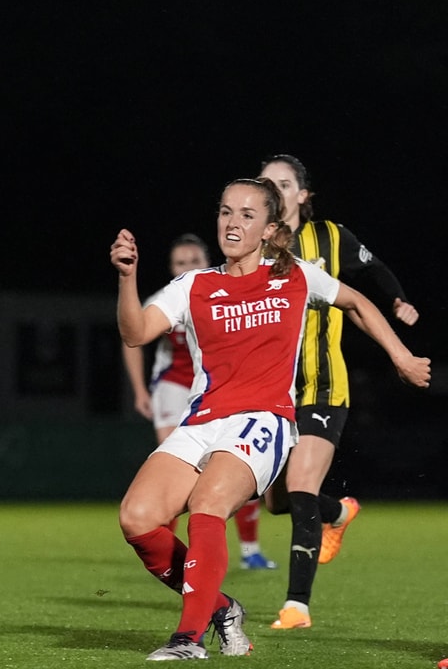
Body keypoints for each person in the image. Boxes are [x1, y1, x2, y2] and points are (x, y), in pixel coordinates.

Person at [110, 177, 430, 661]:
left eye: (245, 215)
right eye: (225, 212)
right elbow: (135, 333)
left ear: (267, 228)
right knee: (137, 519)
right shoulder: (194, 285)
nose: (232, 223)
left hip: (264, 418)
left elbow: (357, 302)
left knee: (208, 505)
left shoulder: (295, 275)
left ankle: (188, 639)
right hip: (202, 420)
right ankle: (221, 609)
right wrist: (127, 277)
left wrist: (402, 358)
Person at [259, 153, 421, 630]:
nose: (275, 191)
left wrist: (398, 299)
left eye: (284, 184)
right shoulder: (253, 245)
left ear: (303, 195)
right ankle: (339, 512)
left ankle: (296, 606)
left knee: (301, 486)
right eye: (266, 184)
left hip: (325, 384)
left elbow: (373, 269)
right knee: (276, 498)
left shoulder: (330, 237)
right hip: (273, 390)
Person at [123, 233, 278, 570]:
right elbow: (131, 339)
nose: (188, 267)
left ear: (208, 261)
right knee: (174, 465)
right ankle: (168, 544)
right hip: (173, 387)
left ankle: (249, 549)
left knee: (235, 464)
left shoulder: (233, 296)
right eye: (180, 263)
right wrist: (139, 390)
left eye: (194, 261)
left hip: (219, 390)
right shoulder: (170, 296)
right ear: (171, 268)